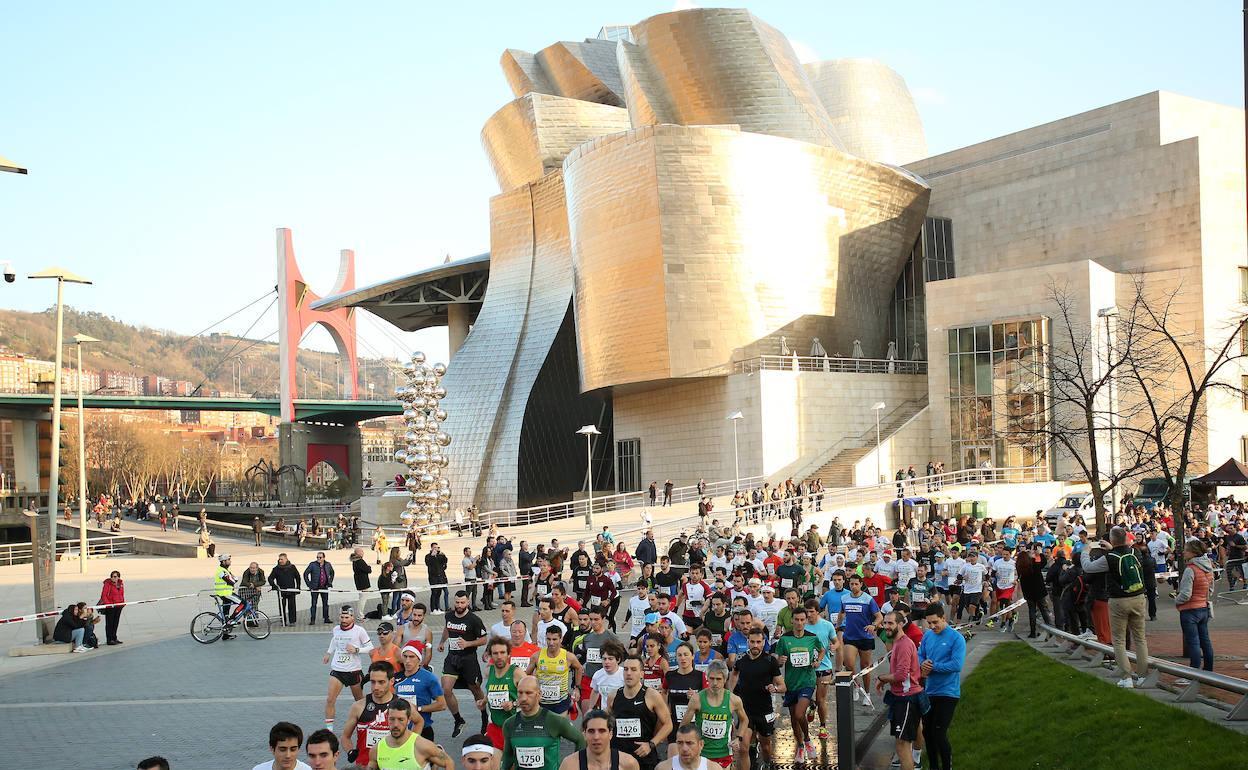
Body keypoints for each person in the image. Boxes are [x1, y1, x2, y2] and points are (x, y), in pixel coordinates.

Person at [1082, 526, 1149, 688]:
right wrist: (1113, 549)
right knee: (1140, 639)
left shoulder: (1109, 558)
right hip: (1138, 598)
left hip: (1119, 600)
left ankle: (1126, 677)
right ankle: (1142, 676)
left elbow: (1088, 567)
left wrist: (1086, 550)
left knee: (1118, 640)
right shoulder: (1136, 552)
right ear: (1126, 538)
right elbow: (1123, 556)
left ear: (1111, 540)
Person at [727, 625, 783, 769]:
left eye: (758, 642)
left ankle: (767, 762)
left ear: (763, 643)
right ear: (748, 642)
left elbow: (783, 686)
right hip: (746, 712)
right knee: (743, 747)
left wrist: (775, 688)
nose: (755, 645)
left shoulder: (770, 661)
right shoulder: (741, 661)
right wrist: (729, 693)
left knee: (765, 746)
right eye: (752, 642)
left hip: (764, 710)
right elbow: (734, 674)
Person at [501, 675, 586, 770]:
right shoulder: (510, 724)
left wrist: (576, 765)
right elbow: (507, 758)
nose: (523, 698)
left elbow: (580, 739)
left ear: (539, 694)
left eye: (529, 693)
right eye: (520, 693)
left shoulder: (554, 720)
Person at [679, 659, 750, 769]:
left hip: (724, 753)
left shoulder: (733, 700)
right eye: (711, 679)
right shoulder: (697, 699)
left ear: (725, 679)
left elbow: (745, 720)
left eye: (718, 679)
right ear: (707, 678)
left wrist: (738, 738)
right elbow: (683, 726)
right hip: (702, 753)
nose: (715, 683)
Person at [876, 611, 925, 770]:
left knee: (903, 746)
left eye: (890, 623)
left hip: (907, 698)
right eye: (885, 623)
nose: (887, 627)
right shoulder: (897, 642)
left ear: (900, 624)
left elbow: (901, 675)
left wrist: (882, 678)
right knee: (901, 744)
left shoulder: (904, 644)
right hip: (904, 697)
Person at [918, 604, 964, 770]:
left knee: (938, 733)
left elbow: (957, 665)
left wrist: (933, 667)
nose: (932, 626)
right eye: (929, 623)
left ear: (943, 618)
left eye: (935, 622)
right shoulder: (928, 636)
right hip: (930, 691)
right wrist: (922, 663)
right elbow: (920, 654)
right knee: (927, 734)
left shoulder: (956, 638)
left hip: (948, 693)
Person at [774, 605, 823, 760]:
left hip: (807, 681)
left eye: (803, 620)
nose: (800, 623)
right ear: (792, 620)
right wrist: (780, 661)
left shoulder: (812, 637)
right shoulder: (784, 639)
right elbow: (778, 660)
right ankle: (800, 746)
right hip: (791, 684)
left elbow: (822, 650)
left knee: (799, 713)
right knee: (794, 720)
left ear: (806, 621)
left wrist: (817, 661)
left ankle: (808, 740)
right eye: (797, 620)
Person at [438, 590, 489, 737]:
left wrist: (468, 643)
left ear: (467, 602)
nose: (459, 605)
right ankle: (458, 720)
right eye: (457, 602)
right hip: (452, 658)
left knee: (475, 689)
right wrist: (442, 641)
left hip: (468, 659)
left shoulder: (474, 620)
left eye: (462, 602)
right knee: (446, 689)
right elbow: (447, 628)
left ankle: (484, 717)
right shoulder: (449, 615)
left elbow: (484, 639)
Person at [609, 656, 672, 770]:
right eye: (626, 669)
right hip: (618, 756)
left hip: (643, 756)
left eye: (633, 670)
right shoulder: (613, 695)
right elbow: (608, 723)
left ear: (642, 674)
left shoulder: (651, 695)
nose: (628, 673)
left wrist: (651, 744)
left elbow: (668, 724)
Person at [342, 660, 404, 768]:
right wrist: (350, 751)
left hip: (393, 765)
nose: (376, 687)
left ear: (391, 681)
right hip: (365, 765)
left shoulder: (402, 706)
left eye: (381, 682)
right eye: (373, 682)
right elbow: (345, 737)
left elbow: (419, 721)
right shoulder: (358, 706)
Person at [323, 607, 374, 731]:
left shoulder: (359, 631)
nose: (344, 620)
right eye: (342, 617)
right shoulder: (336, 629)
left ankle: (365, 726)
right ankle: (329, 730)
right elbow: (335, 640)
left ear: (352, 618)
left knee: (359, 701)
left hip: (353, 671)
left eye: (347, 617)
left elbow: (370, 647)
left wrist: (357, 650)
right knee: (330, 699)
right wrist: (328, 653)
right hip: (337, 670)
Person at [370, 698, 452, 770]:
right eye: (392, 719)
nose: (395, 724)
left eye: (401, 720)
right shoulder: (377, 749)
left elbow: (448, 763)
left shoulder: (422, 746)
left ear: (408, 720)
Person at [838, 573, 882, 699]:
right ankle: (857, 687)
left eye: (856, 584)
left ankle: (867, 693)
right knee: (849, 664)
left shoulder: (868, 599)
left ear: (861, 585)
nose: (853, 586)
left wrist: (873, 625)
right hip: (850, 637)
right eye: (851, 584)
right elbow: (841, 613)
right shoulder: (845, 598)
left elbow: (879, 617)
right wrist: (837, 626)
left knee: (865, 667)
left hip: (865, 637)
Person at [1176, 539, 1216, 671]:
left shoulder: (1190, 569)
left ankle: (1194, 672)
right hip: (1203, 608)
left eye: (1186, 550)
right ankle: (1209, 669)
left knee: (1193, 642)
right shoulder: (1208, 567)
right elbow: (1210, 588)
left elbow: (1186, 594)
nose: (1184, 552)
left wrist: (1176, 600)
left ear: (1193, 552)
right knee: (1205, 640)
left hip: (1190, 610)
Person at [395, 640, 447, 741]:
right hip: (400, 728)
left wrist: (418, 709)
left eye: (411, 657)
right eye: (405, 656)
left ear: (419, 659)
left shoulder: (428, 678)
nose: (407, 660)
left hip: (423, 729)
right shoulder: (396, 678)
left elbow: (442, 705)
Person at [528, 625, 583, 715]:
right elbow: (527, 675)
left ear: (561, 639)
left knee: (558, 728)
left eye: (554, 639)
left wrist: (577, 688)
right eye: (548, 639)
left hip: (561, 702)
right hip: (541, 702)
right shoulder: (536, 656)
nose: (551, 643)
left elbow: (579, 668)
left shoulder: (568, 656)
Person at [559, 710, 641, 770]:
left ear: (610, 734)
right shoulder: (569, 765)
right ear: (584, 734)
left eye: (602, 731)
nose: (596, 737)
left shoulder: (628, 764)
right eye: (591, 731)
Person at [480, 636, 521, 749]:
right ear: (491, 655)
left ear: (508, 654)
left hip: (515, 727)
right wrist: (483, 701)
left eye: (502, 652)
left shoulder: (517, 673)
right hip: (495, 726)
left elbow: (533, 698)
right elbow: (491, 692)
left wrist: (513, 704)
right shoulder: (488, 671)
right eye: (495, 653)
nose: (499, 657)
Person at [214, 553, 244, 640]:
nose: (230, 561)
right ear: (223, 561)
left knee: (225, 613)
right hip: (226, 593)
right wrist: (234, 579)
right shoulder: (221, 571)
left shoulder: (225, 570)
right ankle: (232, 620)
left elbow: (233, 578)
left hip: (225, 593)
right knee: (243, 604)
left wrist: (234, 578)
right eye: (228, 560)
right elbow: (232, 581)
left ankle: (225, 634)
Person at [269, 553, 301, 626]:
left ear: (286, 559)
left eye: (282, 559)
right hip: (281, 591)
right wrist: (274, 586)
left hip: (291, 590)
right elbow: (270, 578)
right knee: (282, 606)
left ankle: (292, 621)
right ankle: (283, 620)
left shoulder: (292, 567)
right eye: (279, 559)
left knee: (292, 606)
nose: (280, 561)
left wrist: (298, 587)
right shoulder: (276, 569)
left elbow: (298, 577)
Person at [305, 552, 335, 625]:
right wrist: (309, 584)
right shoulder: (312, 564)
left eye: (320, 557)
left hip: (324, 587)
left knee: (325, 603)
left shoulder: (328, 564)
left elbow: (332, 573)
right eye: (317, 557)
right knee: (314, 604)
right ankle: (312, 619)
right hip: (315, 587)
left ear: (324, 558)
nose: (318, 559)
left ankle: (326, 618)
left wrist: (330, 582)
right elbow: (305, 574)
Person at [99, 569, 125, 645]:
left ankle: (114, 638)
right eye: (112, 576)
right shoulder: (107, 584)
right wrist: (109, 604)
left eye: (115, 576)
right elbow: (104, 595)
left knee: (116, 622)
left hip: (119, 606)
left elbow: (122, 594)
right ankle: (109, 639)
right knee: (109, 623)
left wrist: (123, 603)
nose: (113, 578)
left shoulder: (121, 584)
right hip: (111, 606)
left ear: (118, 577)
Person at [426, 544, 449, 614]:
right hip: (433, 577)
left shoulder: (440, 555)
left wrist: (443, 554)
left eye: (437, 547)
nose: (436, 549)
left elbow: (445, 561)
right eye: (435, 547)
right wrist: (432, 556)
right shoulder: (428, 556)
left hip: (440, 577)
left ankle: (437, 607)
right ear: (432, 548)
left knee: (439, 592)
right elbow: (428, 563)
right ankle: (433, 609)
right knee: (434, 593)